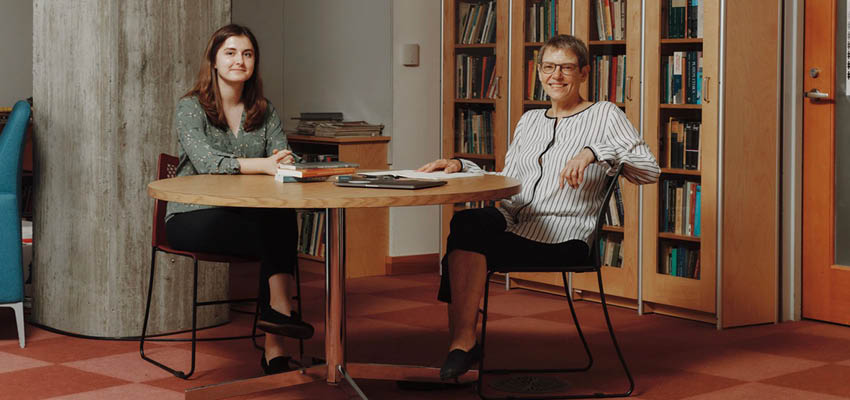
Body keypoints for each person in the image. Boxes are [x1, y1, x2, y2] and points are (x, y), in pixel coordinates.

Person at [418, 34, 660, 380]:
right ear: (539, 72)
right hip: (513, 217)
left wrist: (593, 152)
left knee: (469, 241)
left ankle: (463, 344)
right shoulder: (529, 120)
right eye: (548, 67)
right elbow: (508, 178)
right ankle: (463, 341)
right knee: (467, 223)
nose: (556, 76)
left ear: (584, 73)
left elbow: (650, 170)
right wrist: (461, 165)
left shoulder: (605, 114)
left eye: (566, 68)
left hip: (564, 236)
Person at [165, 24, 312, 375]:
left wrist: (284, 160)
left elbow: (283, 155)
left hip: (246, 216)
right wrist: (262, 164)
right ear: (214, 61)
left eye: (247, 54)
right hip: (191, 215)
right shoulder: (191, 107)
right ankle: (279, 316)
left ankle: (276, 338)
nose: (239, 60)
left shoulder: (264, 110)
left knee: (278, 217)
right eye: (230, 53)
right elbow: (206, 163)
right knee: (275, 231)